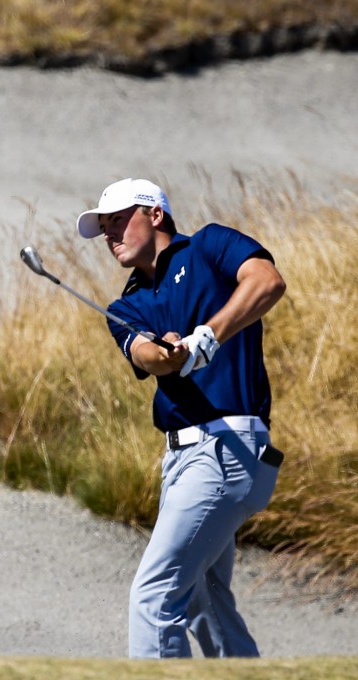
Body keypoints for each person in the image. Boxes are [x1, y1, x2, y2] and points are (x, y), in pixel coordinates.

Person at [76, 178, 287, 659]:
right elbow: (148, 356)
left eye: (117, 221)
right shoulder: (126, 305)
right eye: (103, 229)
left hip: (226, 450)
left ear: (154, 215)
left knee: (153, 597)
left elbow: (267, 283)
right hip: (181, 461)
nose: (110, 235)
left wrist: (207, 336)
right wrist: (170, 354)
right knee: (201, 601)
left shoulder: (210, 245)